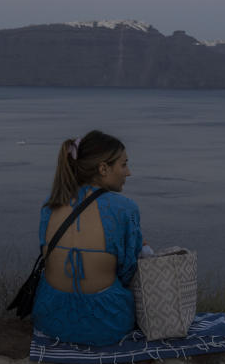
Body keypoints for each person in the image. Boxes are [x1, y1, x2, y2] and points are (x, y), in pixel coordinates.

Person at [32, 130, 143, 346]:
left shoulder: (51, 204)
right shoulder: (124, 209)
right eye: (123, 165)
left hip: (50, 317)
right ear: (103, 168)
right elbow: (128, 270)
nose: (128, 172)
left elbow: (45, 253)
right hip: (106, 323)